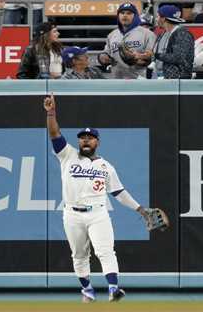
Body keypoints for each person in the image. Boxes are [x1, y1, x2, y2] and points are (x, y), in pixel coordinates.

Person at [43, 93, 149, 303]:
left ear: (97, 142)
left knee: (105, 251)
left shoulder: (106, 167)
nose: (85, 140)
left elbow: (119, 193)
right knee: (79, 256)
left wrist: (141, 210)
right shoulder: (67, 154)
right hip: (72, 214)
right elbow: (54, 133)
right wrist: (51, 113)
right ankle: (87, 289)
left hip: (98, 213)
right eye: (82, 137)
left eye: (90, 137)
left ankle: (113, 289)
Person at [98, 3, 156, 79]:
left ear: (135, 16)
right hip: (117, 79)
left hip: (140, 79)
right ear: (118, 16)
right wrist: (103, 58)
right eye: (122, 13)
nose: (125, 15)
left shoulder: (147, 34)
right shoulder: (112, 35)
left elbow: (153, 57)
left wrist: (137, 57)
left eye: (129, 13)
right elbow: (106, 53)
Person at [149, 5, 194, 79]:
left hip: (177, 79)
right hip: (161, 77)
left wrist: (156, 55)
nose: (156, 19)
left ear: (163, 19)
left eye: (158, 16)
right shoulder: (162, 34)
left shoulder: (182, 33)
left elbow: (179, 57)